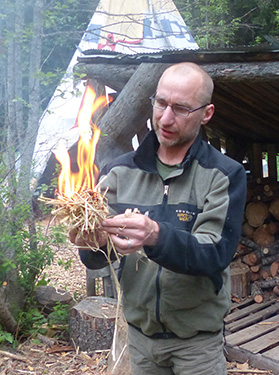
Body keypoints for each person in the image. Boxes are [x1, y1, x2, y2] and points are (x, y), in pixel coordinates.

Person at [70, 62, 247, 375]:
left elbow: (214, 254)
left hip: (197, 346)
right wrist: (92, 243)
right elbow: (97, 260)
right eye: (161, 103)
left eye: (181, 108)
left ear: (206, 113)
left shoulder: (223, 175)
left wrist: (156, 235)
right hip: (140, 341)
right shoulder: (119, 173)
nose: (166, 118)